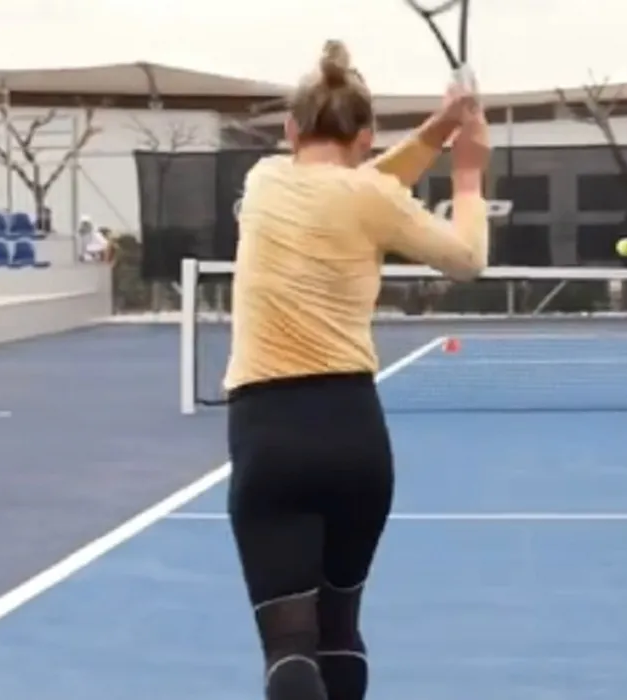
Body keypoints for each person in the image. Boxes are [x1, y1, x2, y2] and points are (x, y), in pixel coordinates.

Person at [222, 41, 489, 700]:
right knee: (339, 629)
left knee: (290, 650)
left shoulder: (264, 180)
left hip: (269, 434)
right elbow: (466, 258)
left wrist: (438, 131)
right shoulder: (372, 196)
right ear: (366, 136)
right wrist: (467, 174)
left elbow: (356, 184)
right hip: (355, 435)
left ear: (291, 129)